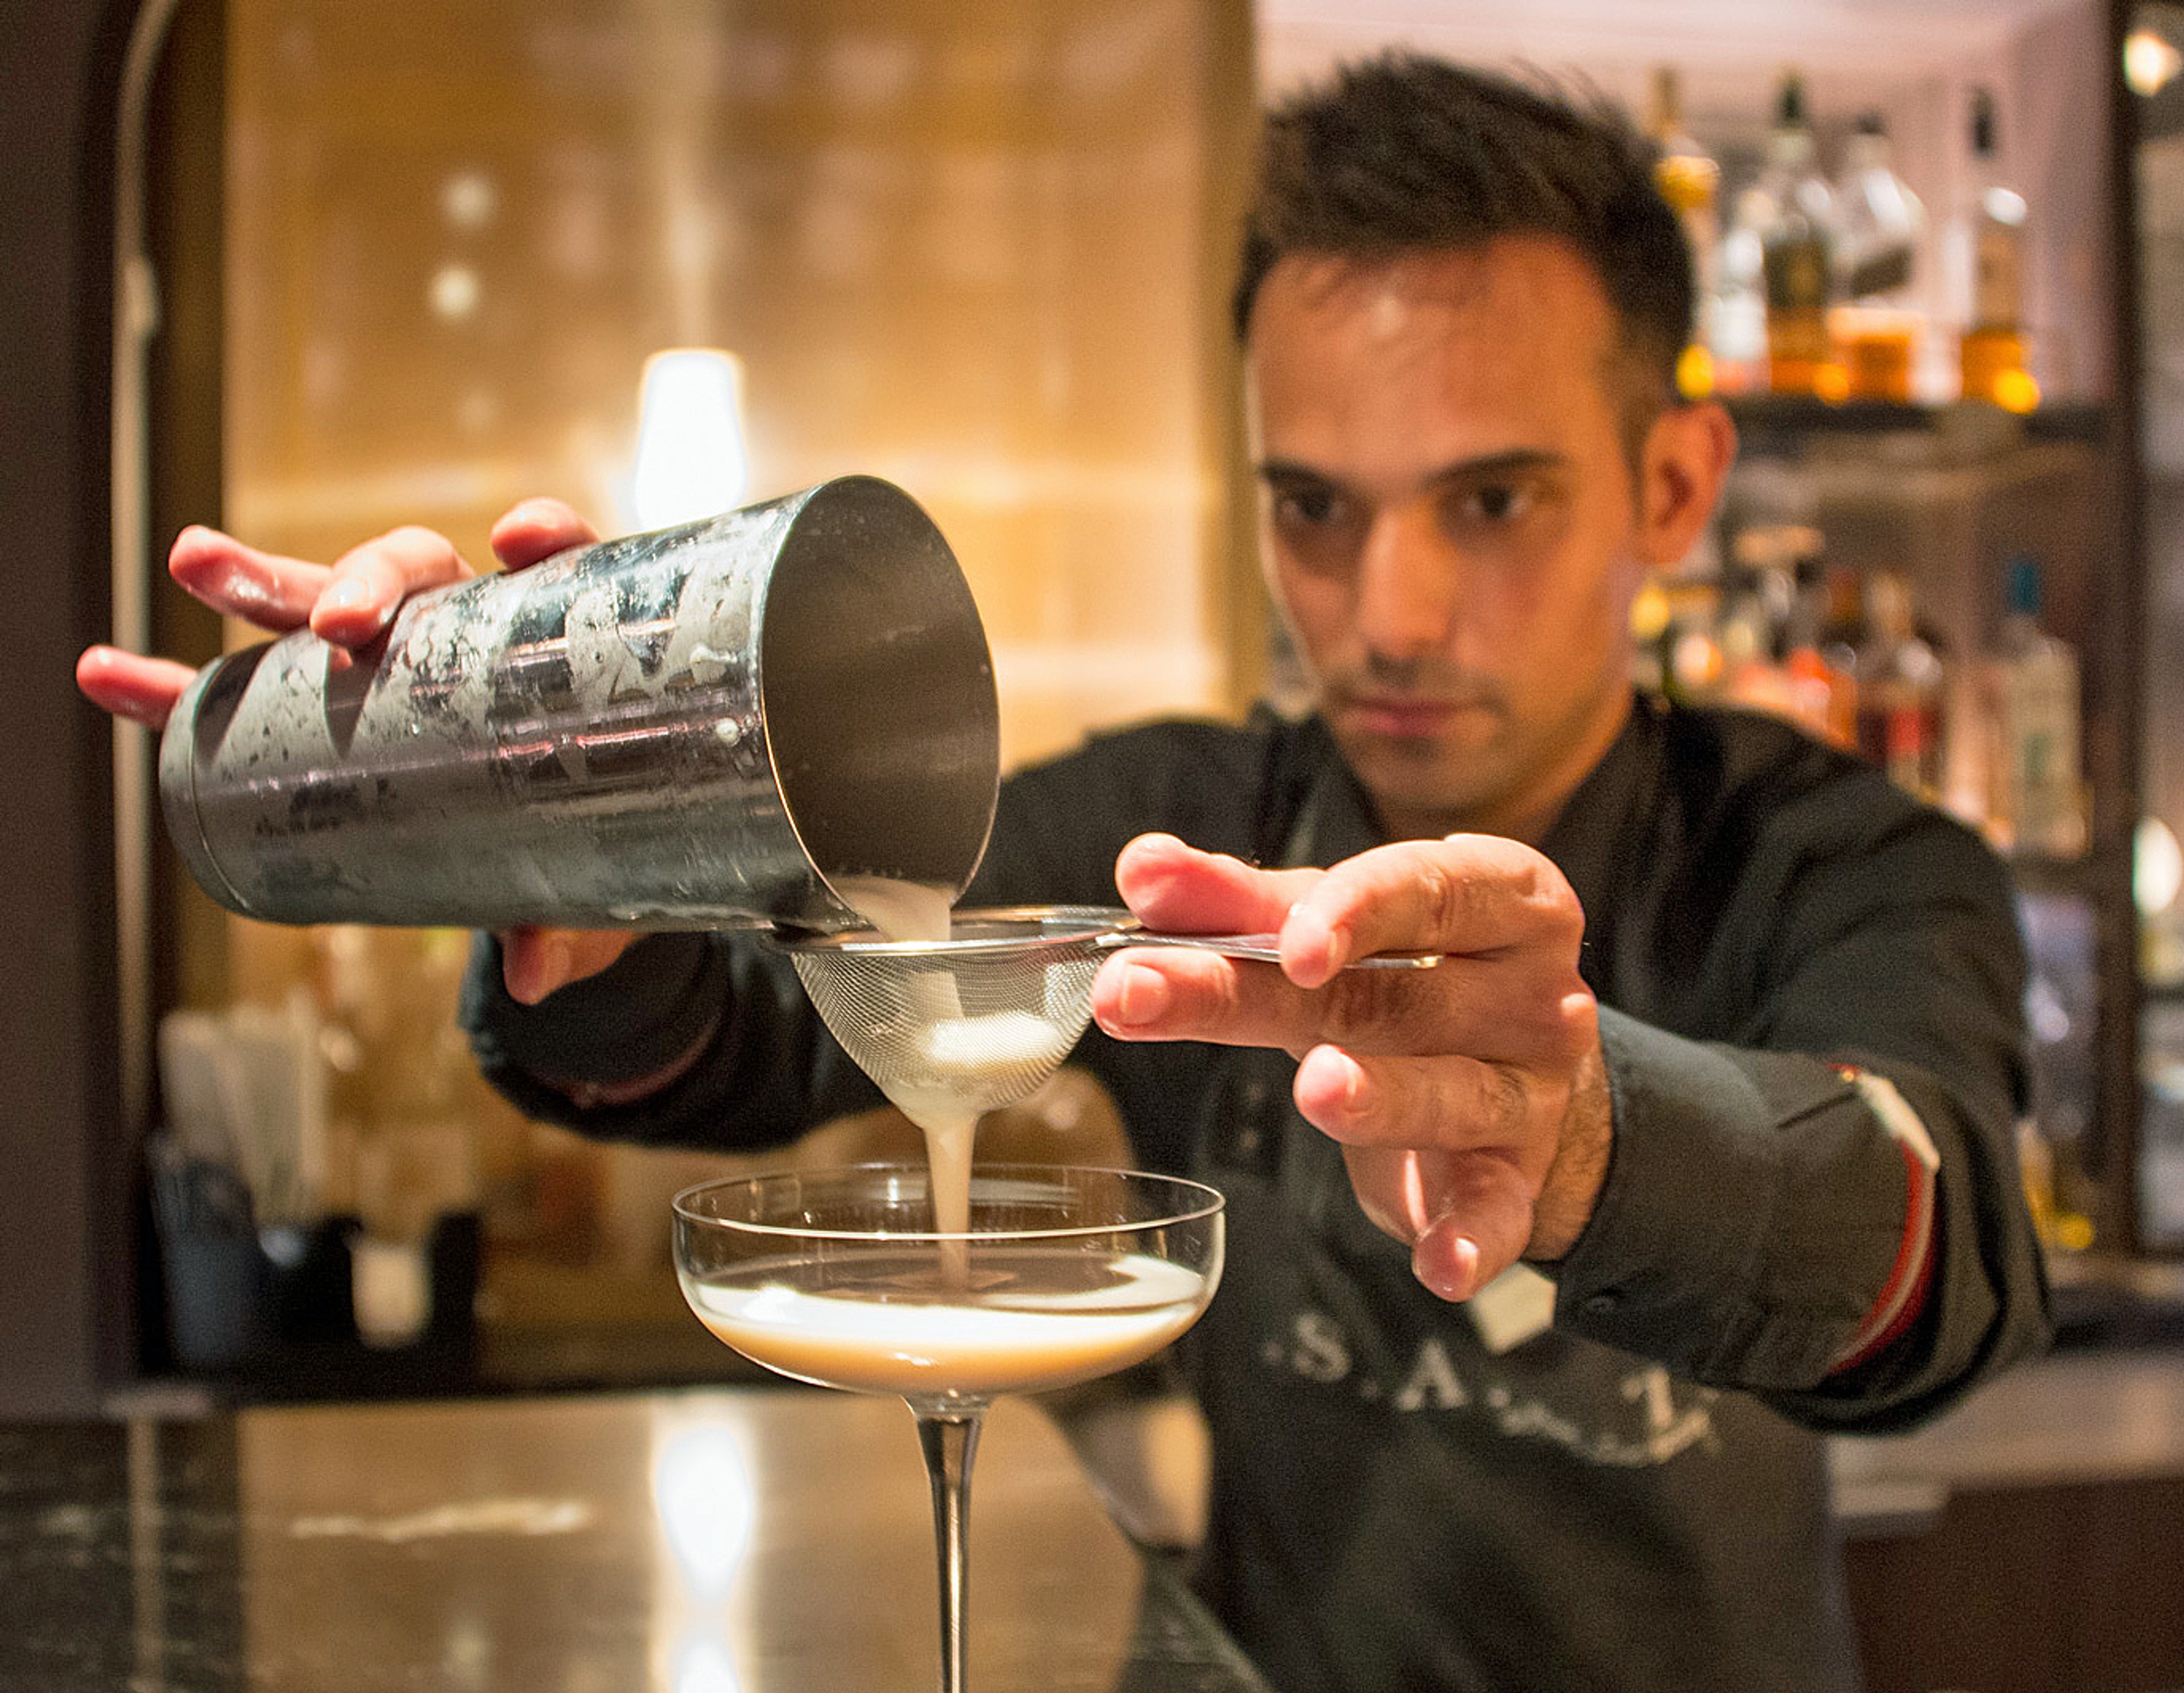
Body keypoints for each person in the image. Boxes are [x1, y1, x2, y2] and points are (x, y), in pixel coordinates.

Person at [81, 53, 2049, 1693]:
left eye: (1493, 499)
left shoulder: (1848, 864)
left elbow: (1929, 1245)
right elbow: (779, 1020)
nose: (1392, 608)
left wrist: (1602, 1133)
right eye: (1314, 507)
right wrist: (579, 880)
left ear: (1676, 488)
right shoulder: (1189, 835)